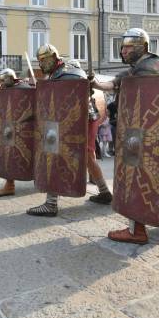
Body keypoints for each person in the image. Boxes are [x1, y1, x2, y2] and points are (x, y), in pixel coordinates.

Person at [91, 28, 159, 243]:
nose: (123, 51)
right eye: (122, 47)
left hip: (142, 133)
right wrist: (94, 82)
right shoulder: (156, 64)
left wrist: (96, 83)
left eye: (128, 47)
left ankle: (136, 230)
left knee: (135, 175)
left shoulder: (144, 69)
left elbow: (120, 85)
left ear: (142, 47)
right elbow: (114, 84)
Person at [27, 44, 113, 217]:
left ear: (53, 57)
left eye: (43, 60)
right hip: (82, 119)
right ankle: (104, 192)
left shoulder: (67, 73)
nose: (41, 64)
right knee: (88, 156)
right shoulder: (57, 74)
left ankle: (51, 204)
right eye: (39, 61)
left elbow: (69, 102)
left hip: (75, 120)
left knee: (54, 153)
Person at [0, 68, 33, 197]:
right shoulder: (6, 90)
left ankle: (41, 181)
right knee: (9, 156)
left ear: (10, 78)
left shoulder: (25, 88)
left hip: (27, 128)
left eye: (3, 80)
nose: (1, 83)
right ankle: (10, 185)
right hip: (9, 130)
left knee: (30, 155)